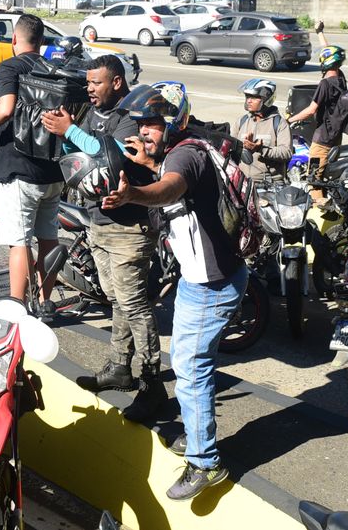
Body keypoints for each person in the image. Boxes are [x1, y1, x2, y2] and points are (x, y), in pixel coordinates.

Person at [100, 80, 245, 501]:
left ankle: (205, 462)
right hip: (204, 278)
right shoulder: (180, 147)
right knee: (192, 366)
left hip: (211, 284)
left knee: (190, 368)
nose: (144, 130)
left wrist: (135, 193)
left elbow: (172, 188)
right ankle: (199, 435)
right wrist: (147, 161)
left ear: (173, 123)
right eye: (142, 123)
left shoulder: (185, 155)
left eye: (152, 124)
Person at [41, 55, 163, 420]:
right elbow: (76, 154)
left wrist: (70, 131)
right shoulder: (91, 114)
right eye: (89, 83)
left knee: (136, 305)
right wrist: (62, 137)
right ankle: (119, 366)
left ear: (117, 83)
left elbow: (110, 156)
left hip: (129, 228)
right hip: (99, 221)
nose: (89, 88)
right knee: (116, 299)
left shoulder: (129, 119)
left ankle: (151, 384)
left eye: (96, 83)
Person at [0, 14, 63, 308]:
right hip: (54, 171)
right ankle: (44, 301)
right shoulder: (54, 68)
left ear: (14, 39)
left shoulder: (9, 68)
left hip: (19, 171)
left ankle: (16, 306)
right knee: (48, 239)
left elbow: (4, 109)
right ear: (42, 41)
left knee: (19, 242)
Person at [288, 46, 348, 193]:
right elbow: (332, 52)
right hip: (336, 136)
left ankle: (317, 210)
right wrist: (320, 33)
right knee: (328, 176)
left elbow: (311, 109)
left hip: (323, 139)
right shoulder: (341, 78)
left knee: (314, 179)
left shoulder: (325, 84)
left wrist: (289, 120)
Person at [232, 78, 293, 180]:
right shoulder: (242, 121)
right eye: (247, 97)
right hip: (243, 182)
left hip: (268, 185)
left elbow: (286, 153)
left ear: (266, 99)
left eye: (254, 97)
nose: (249, 101)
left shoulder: (279, 123)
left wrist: (261, 149)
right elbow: (231, 147)